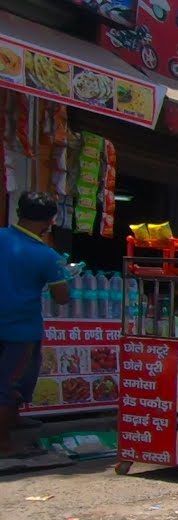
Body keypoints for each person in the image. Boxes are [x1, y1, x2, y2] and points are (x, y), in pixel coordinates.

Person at [1, 192, 70, 459]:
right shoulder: (47, 256)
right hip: (20, 331)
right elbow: (61, 297)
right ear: (50, 221)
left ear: (19, 212)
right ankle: (3, 444)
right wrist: (64, 274)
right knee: (9, 386)